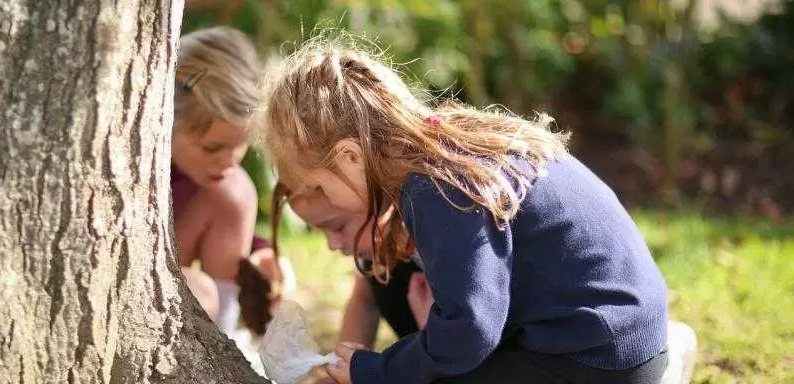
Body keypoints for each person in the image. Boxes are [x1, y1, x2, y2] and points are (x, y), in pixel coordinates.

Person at [258, 40, 669, 384]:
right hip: (621, 339)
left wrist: (378, 371)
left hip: (597, 357)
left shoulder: (434, 184)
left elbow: (468, 329)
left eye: (320, 186)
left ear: (349, 156)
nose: (324, 196)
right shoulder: (447, 145)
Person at [171, 26, 283, 336]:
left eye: (240, 144)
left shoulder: (215, 177)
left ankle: (225, 338)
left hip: (178, 267)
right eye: (212, 148)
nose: (229, 160)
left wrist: (257, 255)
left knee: (235, 190)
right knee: (200, 293)